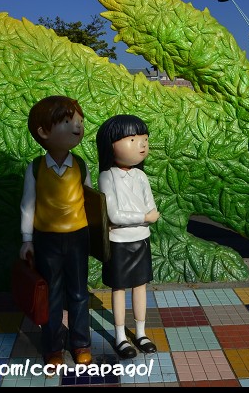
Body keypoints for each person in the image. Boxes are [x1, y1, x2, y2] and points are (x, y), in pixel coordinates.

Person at [19, 95, 92, 368]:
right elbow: (28, 205)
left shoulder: (80, 165)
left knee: (79, 293)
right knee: (51, 294)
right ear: (43, 131)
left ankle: (81, 343)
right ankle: (53, 348)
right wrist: (27, 240)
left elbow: (92, 201)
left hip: (78, 237)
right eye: (68, 121)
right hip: (46, 239)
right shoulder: (36, 168)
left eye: (80, 122)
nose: (77, 127)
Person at [95, 114, 160, 359]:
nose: (142, 144)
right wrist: (144, 216)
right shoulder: (107, 177)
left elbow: (151, 207)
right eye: (133, 139)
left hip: (141, 239)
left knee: (141, 286)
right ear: (109, 144)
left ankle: (141, 332)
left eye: (144, 139)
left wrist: (143, 215)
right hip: (119, 242)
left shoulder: (141, 177)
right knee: (119, 288)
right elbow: (114, 214)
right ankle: (120, 336)